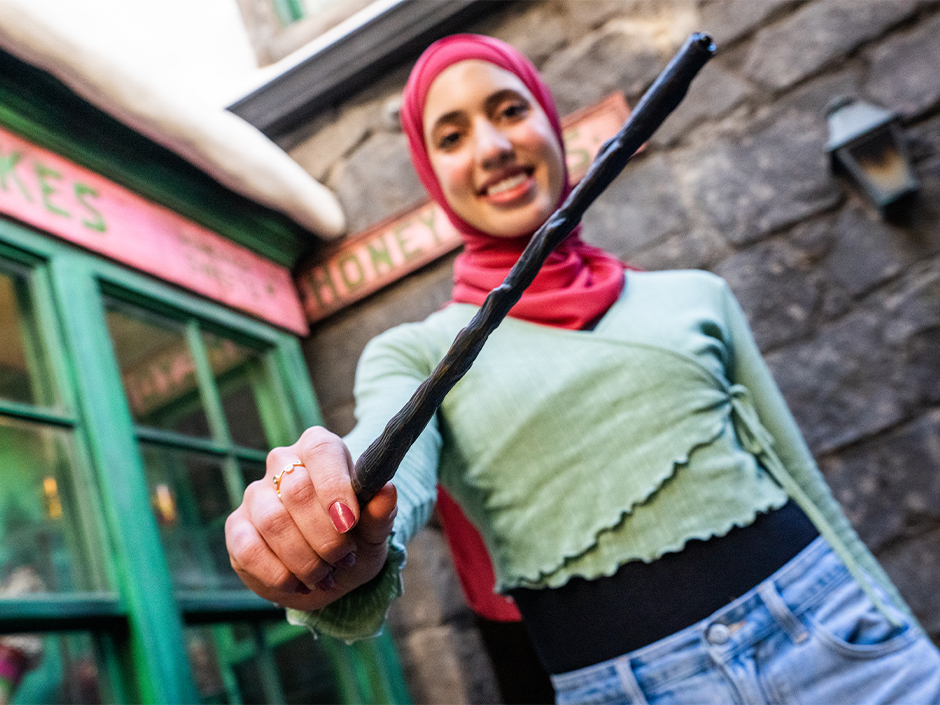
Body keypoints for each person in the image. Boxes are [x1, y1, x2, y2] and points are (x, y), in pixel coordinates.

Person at [226, 34, 940, 704]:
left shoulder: (697, 296)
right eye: (453, 135)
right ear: (431, 174)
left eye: (511, 110)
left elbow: (804, 483)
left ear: (550, 122)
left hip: (846, 644)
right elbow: (389, 465)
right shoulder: (412, 353)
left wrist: (904, 639)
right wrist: (331, 510)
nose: (495, 146)